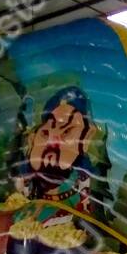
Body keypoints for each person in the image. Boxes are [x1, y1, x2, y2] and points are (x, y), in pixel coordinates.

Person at [13, 86, 105, 215]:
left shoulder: (79, 188)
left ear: (86, 139)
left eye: (66, 132)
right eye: (45, 133)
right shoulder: (23, 183)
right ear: (32, 139)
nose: (53, 142)